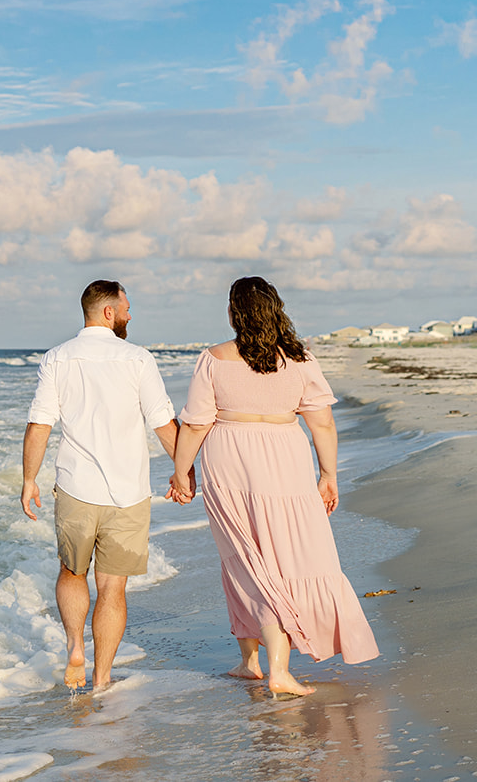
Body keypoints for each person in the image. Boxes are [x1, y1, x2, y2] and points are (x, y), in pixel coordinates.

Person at [169, 276, 379, 699]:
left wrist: (180, 472)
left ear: (234, 312)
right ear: (276, 309)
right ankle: (253, 664)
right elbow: (321, 421)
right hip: (286, 458)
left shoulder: (214, 358)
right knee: (285, 559)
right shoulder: (301, 360)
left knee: (244, 558)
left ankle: (270, 667)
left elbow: (195, 424)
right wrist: (328, 474)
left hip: (230, 460)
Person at [21, 280, 180, 693]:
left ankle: (75, 646)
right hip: (127, 493)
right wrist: (184, 471)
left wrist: (28, 480)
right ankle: (102, 676)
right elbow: (162, 421)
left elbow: (40, 423)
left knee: (72, 572)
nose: (130, 314)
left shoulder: (58, 357)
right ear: (108, 312)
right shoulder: (138, 359)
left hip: (75, 487)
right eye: (126, 307)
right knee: (112, 587)